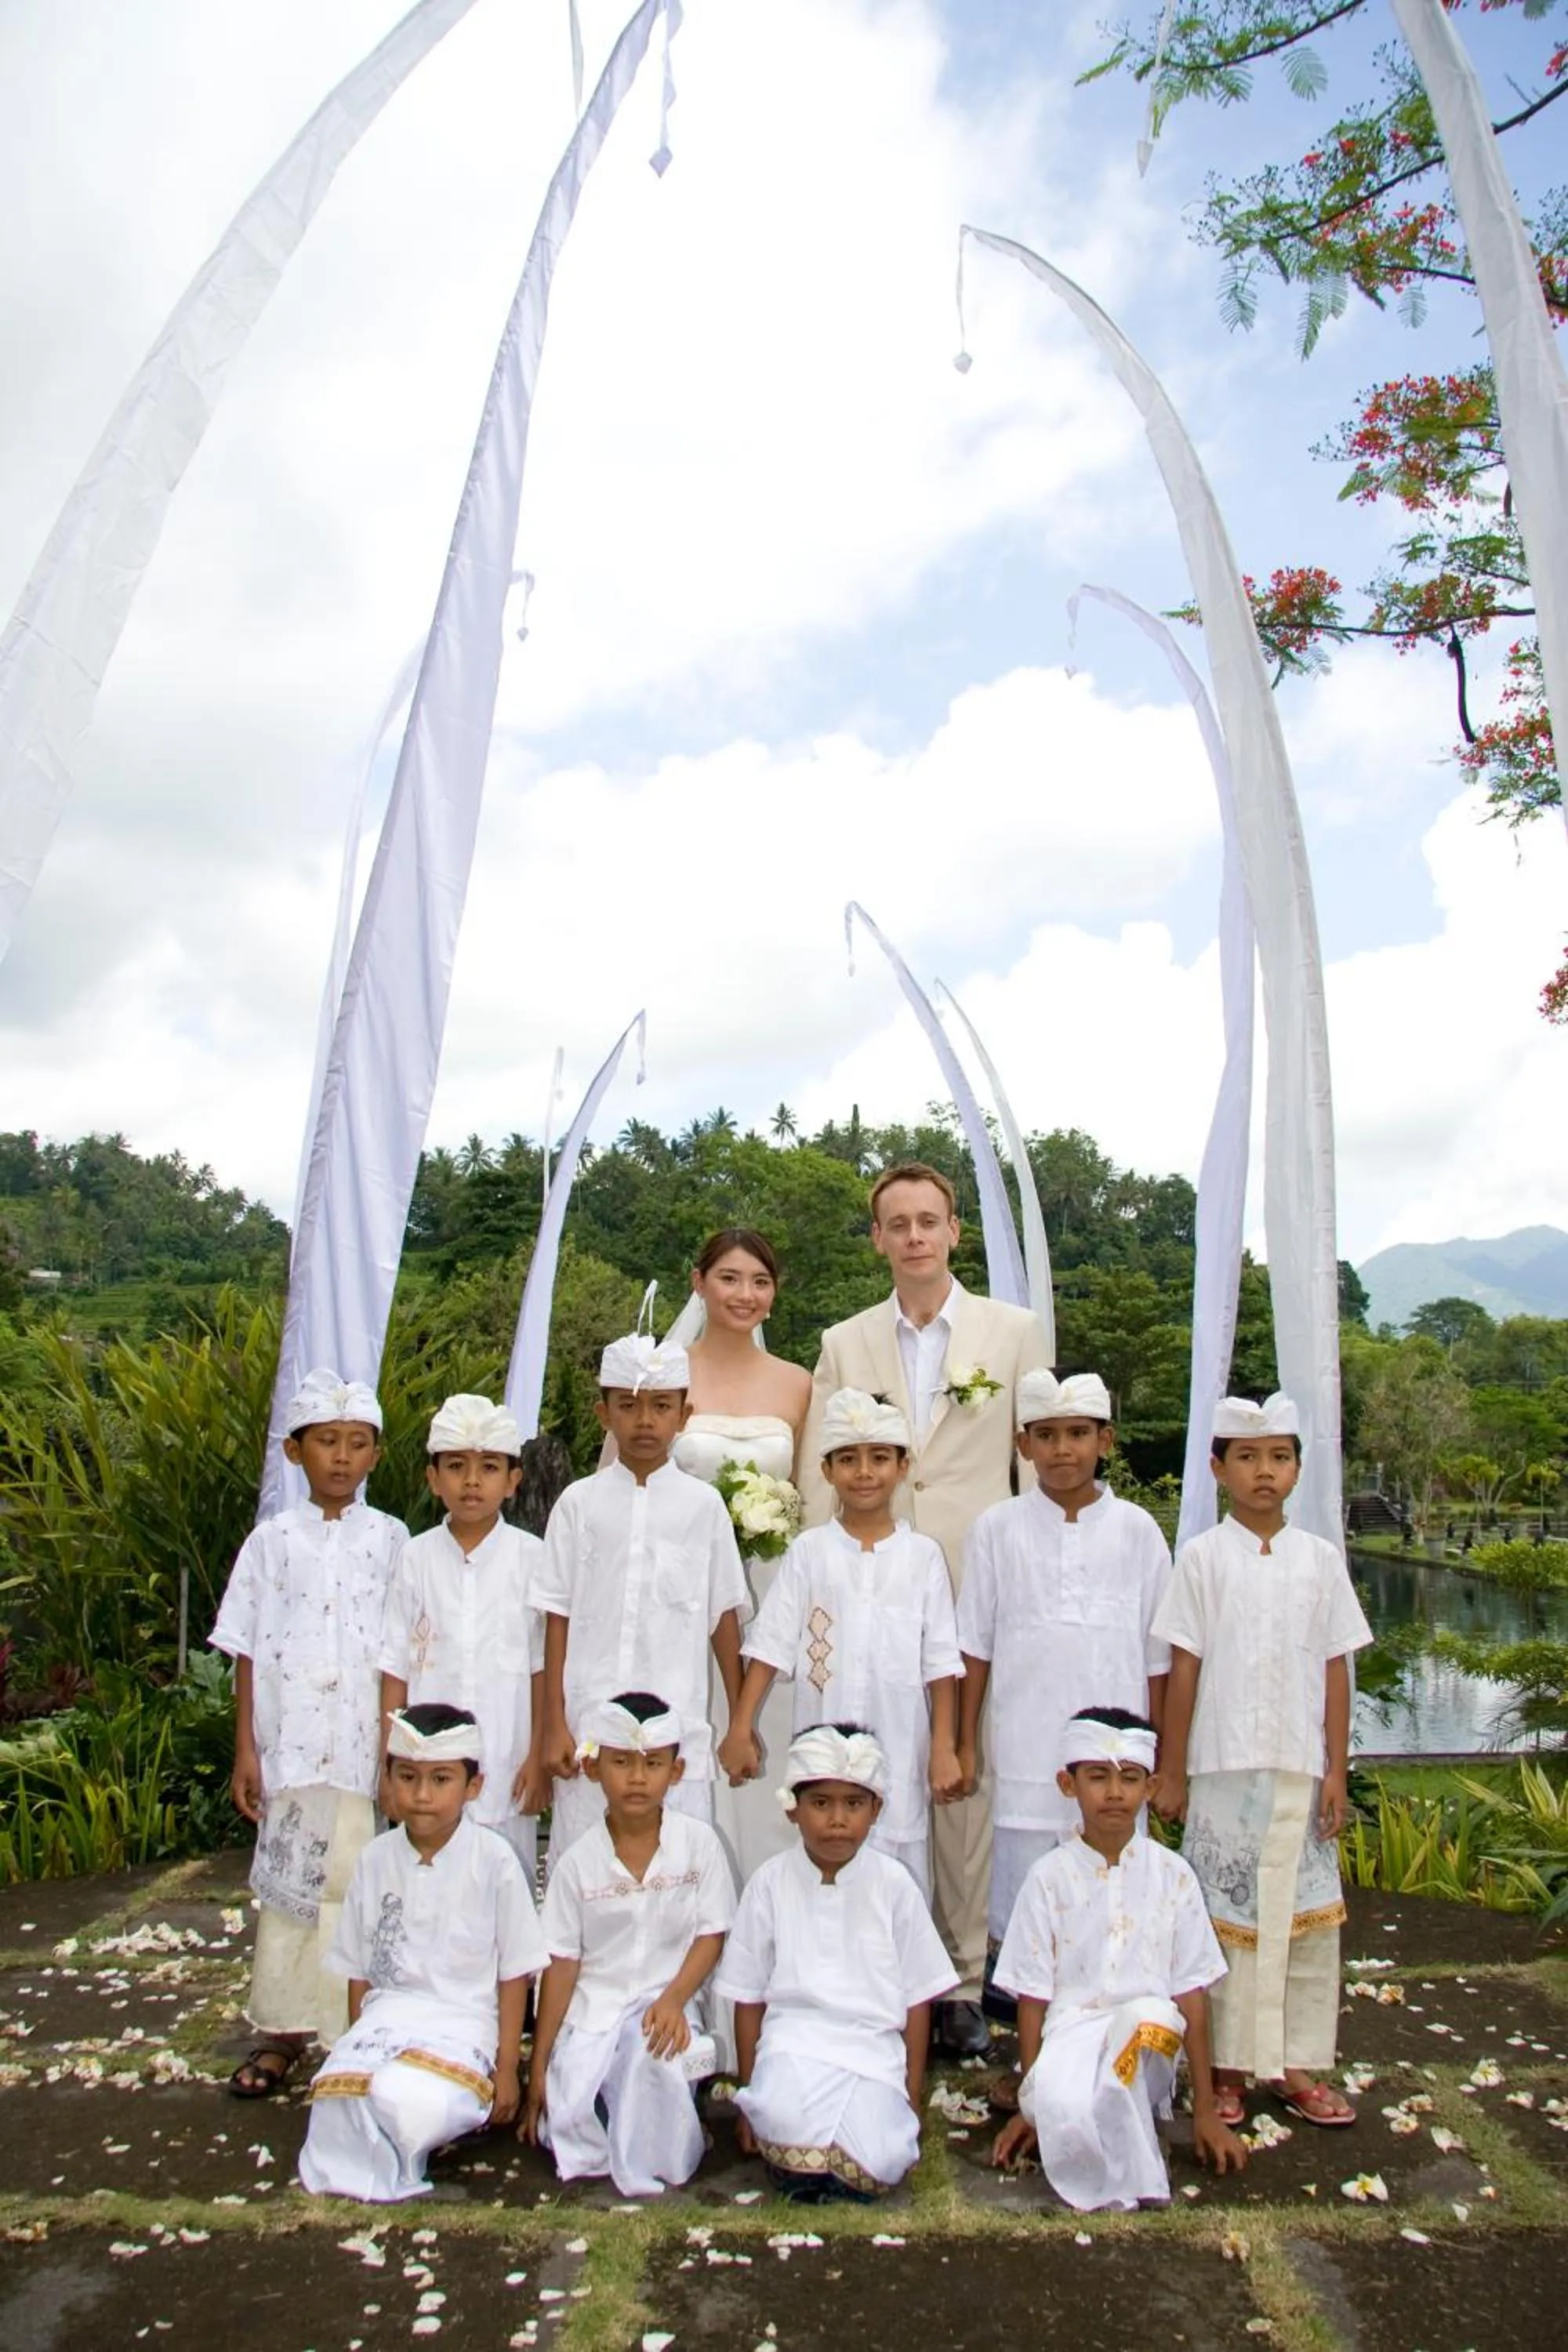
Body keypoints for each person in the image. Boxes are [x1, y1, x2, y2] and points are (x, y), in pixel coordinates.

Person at [799, 1162, 1051, 2055]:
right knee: (874, 1758)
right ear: (876, 1238)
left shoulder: (1013, 1333)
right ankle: (870, 1956)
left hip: (977, 1573)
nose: (912, 1237)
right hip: (870, 1573)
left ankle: (963, 1974)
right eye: (895, 1223)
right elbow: (815, 1466)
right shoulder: (843, 1342)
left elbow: (1031, 1459)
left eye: (928, 1221)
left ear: (953, 1232)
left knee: (961, 1769)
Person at [1150, 1393, 1373, 2129]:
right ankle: (1225, 2068)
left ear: (1299, 1469)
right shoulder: (1204, 1559)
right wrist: (1172, 1770)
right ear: (1219, 1469)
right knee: (1226, 1921)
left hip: (1299, 1768)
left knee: (1304, 1923)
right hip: (1223, 1766)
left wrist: (1336, 1769)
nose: (1264, 1472)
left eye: (1279, 1457)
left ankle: (1296, 2063)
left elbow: (1337, 1669)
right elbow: (1183, 1668)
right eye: (1247, 1457)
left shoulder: (1320, 1560)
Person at [212, 1367, 408, 2098]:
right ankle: (282, 2030)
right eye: (327, 1442)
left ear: (376, 1457)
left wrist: (396, 1750)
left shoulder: (392, 1539)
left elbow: (398, 1653)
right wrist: (247, 1750)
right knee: (291, 1895)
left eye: (358, 1444)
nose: (341, 1458)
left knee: (357, 1886)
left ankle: (352, 2027)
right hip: (291, 1749)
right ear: (295, 1452)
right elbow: (247, 1649)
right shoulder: (270, 1543)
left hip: (361, 1749)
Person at [989, 1708, 1245, 2211]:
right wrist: (1033, 2101)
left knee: (1143, 2020)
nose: (1113, 1793)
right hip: (1070, 2040)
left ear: (1149, 1789)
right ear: (1069, 1784)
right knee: (1067, 2106)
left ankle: (1116, 2150)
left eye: (1129, 1779)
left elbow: (1191, 1993)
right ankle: (1088, 2125)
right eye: (1098, 1777)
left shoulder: (1173, 1876)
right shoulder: (1048, 1877)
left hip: (1148, 2041)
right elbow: (1033, 1997)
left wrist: (1207, 2112)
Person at [956, 1369, 1171, 1962]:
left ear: (1106, 1440)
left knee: (1117, 1904)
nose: (1062, 1450)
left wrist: (1167, 1760)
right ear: (1022, 1445)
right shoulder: (997, 1530)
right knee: (1030, 1906)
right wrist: (964, 1744)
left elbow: (1159, 1660)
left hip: (1119, 1760)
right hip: (1026, 1749)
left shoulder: (1138, 1532)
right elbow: (973, 1647)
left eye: (1078, 1433)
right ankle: (1032, 2023)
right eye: (1045, 1435)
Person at [298, 1704, 548, 2202]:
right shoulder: (375, 1859)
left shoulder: (495, 1860)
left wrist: (506, 2072)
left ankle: (403, 2136)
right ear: (388, 1779)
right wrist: (355, 2049)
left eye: (440, 1779)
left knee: (407, 2099)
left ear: (473, 1787)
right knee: (337, 2102)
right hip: (387, 2018)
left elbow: (516, 1972)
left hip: (463, 2023)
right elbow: (358, 1972)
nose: (422, 1795)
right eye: (407, 1777)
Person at [720, 1388, 964, 1898]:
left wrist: (944, 1747)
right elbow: (770, 1644)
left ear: (902, 1466)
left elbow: (940, 1664)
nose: (865, 1472)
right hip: (821, 1753)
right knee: (821, 1878)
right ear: (827, 1470)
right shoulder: (810, 1553)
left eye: (879, 1458)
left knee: (897, 1887)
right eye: (849, 1460)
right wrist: (741, 1727)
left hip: (900, 1748)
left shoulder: (923, 1557)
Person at [715, 1722, 957, 2201]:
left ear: (876, 1810)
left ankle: (820, 2158)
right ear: (793, 1809)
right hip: (792, 2046)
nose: (837, 1820)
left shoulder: (894, 1885)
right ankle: (798, 2149)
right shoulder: (769, 1883)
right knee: (782, 2118)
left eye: (853, 1804)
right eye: (821, 1804)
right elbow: (746, 1996)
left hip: (873, 2051)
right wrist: (749, 2097)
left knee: (885, 2157)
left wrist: (909, 2099)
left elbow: (916, 1999)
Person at [535, 1330, 747, 1864]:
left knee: (678, 1874)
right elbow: (555, 1616)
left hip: (676, 1726)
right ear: (603, 1412)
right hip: (590, 1722)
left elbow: (723, 1617)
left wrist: (741, 1723)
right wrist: (553, 1721)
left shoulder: (704, 1507)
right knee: (586, 1871)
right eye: (628, 1406)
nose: (645, 1421)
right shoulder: (577, 1505)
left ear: (685, 1413)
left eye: (660, 1406)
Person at [524, 1692, 735, 2197]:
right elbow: (561, 1965)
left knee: (653, 2061)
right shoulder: (577, 1864)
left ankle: (665, 2123)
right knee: (569, 2106)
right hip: (594, 2009)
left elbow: (712, 1933)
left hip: (664, 2004)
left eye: (652, 1764)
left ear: (676, 1771)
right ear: (594, 1769)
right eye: (621, 1763)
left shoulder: (698, 1845)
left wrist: (674, 1999)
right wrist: (538, 2067)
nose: (637, 1778)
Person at [669, 1229, 811, 1885]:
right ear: (698, 1283)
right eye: (728, 1278)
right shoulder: (664, 1375)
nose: (744, 1294)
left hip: (771, 1587)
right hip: (681, 1593)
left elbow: (810, 1501)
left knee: (767, 1750)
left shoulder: (797, 1384)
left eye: (759, 1281)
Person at [379, 1394, 548, 1874]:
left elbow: (542, 1666)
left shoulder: (532, 1559)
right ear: (433, 1478)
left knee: (501, 1891)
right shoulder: (414, 1558)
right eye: (456, 1466)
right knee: (423, 1886)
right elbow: (395, 1665)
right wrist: (388, 1766)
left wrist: (536, 1757)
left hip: (506, 1757)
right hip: (424, 1768)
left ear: (513, 1481)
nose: (472, 1481)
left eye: (490, 1467)